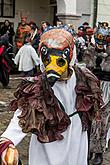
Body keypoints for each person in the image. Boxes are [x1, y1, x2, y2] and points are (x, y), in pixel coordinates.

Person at [0, 28, 104, 165]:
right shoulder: (38, 86)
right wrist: (7, 140)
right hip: (49, 142)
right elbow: (23, 115)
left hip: (77, 138)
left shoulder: (84, 78)